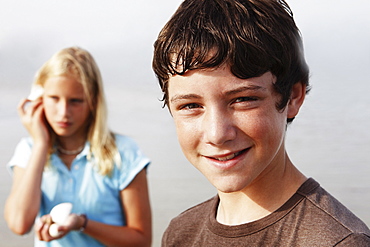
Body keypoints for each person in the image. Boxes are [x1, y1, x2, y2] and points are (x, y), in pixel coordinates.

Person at [152, 0, 370, 246]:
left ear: (293, 97)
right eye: (190, 106)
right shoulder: (181, 233)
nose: (217, 133)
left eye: (243, 99)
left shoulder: (337, 241)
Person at [4, 47, 152, 247]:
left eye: (75, 101)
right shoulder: (29, 150)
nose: (64, 112)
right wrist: (40, 144)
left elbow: (141, 240)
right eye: (54, 99)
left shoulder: (123, 152)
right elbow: (19, 224)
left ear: (93, 101)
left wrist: (82, 224)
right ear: (39, 98)